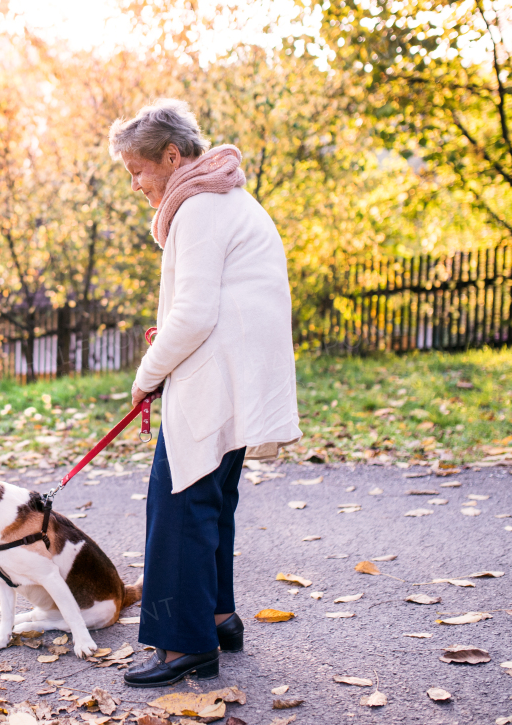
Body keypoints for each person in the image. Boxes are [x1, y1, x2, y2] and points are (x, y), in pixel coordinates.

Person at [111, 98, 301, 688]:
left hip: (215, 380)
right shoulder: (228, 199)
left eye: (138, 170)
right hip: (238, 381)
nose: (136, 184)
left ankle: (182, 646)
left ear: (172, 157)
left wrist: (146, 377)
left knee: (177, 507)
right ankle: (219, 618)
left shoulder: (197, 208)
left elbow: (193, 315)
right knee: (211, 502)